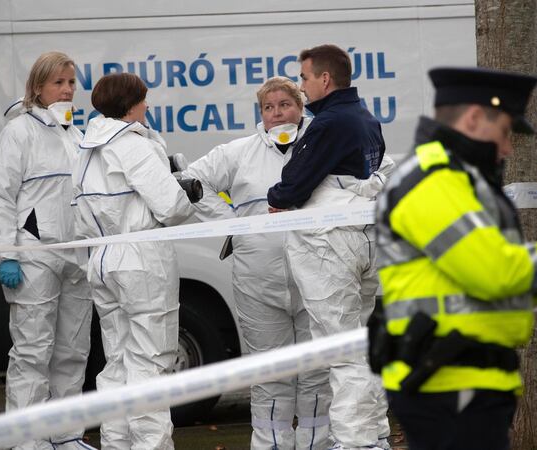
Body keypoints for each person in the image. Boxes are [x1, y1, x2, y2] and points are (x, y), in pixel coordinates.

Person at [372, 67, 537, 450]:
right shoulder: (433, 182)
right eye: (504, 132)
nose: (508, 148)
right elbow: (495, 273)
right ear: (472, 118)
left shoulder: (457, 180)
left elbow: (496, 282)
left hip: (463, 380)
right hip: (449, 383)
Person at [183, 76, 334, 449]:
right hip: (258, 282)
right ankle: (271, 443)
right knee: (270, 373)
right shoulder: (239, 152)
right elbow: (190, 179)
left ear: (300, 107)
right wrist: (232, 225)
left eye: (285, 105)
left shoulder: (323, 145)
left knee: (316, 371)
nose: (277, 113)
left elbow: (375, 169)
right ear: (260, 113)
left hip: (316, 278)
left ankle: (316, 442)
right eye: (268, 107)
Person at [267, 44, 393, 450]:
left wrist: (279, 194)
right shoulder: (366, 118)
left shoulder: (329, 123)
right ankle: (374, 435)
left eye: (303, 78)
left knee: (342, 350)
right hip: (363, 239)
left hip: (329, 246)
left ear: (324, 79)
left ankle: (355, 442)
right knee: (362, 343)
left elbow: (291, 186)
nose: (301, 88)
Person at [72, 72, 194, 450]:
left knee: (118, 363)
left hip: (103, 257)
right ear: (129, 105)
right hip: (142, 259)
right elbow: (171, 207)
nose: (147, 106)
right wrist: (182, 189)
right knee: (151, 364)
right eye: (143, 100)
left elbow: (79, 215)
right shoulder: (133, 145)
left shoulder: (86, 148)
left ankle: (116, 443)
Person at [0, 51, 95, 450]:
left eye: (71, 83)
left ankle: (64, 435)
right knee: (33, 351)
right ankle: (26, 440)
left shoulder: (76, 135)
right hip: (34, 254)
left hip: (75, 254)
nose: (67, 90)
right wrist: (7, 253)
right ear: (37, 88)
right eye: (58, 83)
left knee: (72, 349)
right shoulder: (19, 132)